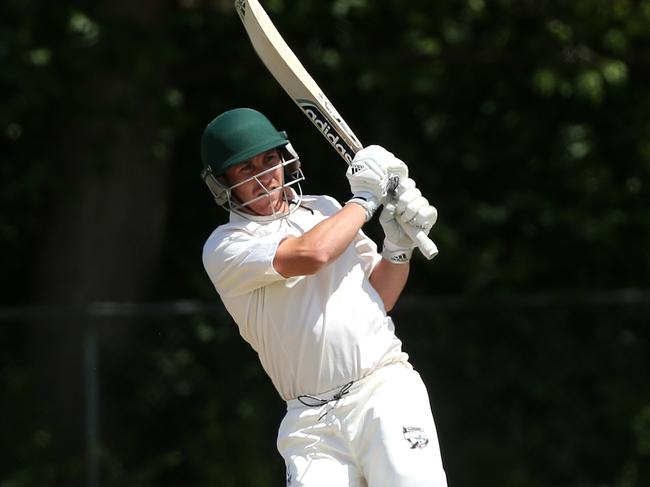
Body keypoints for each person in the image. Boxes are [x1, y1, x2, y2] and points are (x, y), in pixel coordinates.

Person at [200, 107, 447, 487]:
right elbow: (311, 255)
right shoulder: (226, 246)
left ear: (285, 158)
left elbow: (379, 297)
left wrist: (398, 246)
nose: (265, 178)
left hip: (381, 389)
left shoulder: (327, 209)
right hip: (310, 422)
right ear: (222, 183)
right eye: (246, 170)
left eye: (269, 160)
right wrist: (365, 200)